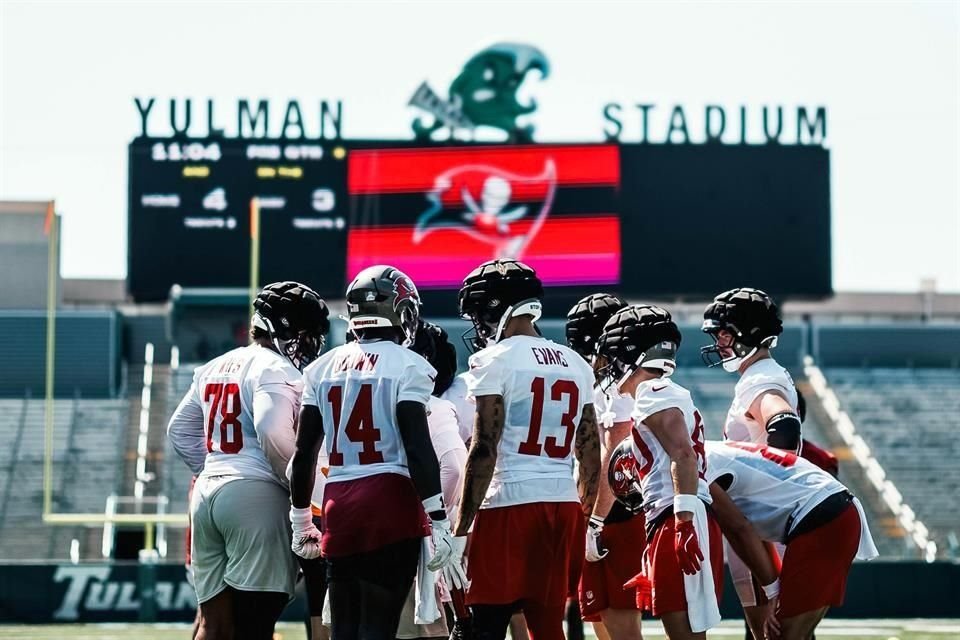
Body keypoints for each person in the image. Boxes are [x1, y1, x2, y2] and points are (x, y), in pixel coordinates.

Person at [288, 265, 463, 640]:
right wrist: (440, 520)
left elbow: (303, 453)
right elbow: (418, 448)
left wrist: (300, 519)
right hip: (391, 501)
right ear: (402, 311)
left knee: (345, 630)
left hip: (339, 505)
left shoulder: (320, 368)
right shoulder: (411, 365)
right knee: (379, 629)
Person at [167, 281, 330, 640]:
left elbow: (179, 431)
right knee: (255, 625)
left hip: (208, 495)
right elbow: (272, 432)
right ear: (286, 329)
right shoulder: (274, 368)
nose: (308, 344)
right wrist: (299, 487)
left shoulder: (214, 366)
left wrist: (218, 471)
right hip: (256, 497)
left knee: (213, 626)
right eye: (304, 335)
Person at [452, 258, 601, 640]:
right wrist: (583, 517)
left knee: (485, 622)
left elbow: (484, 448)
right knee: (548, 626)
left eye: (479, 312)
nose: (478, 322)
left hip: (509, 503)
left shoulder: (492, 361)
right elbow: (588, 451)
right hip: (563, 503)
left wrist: (461, 528)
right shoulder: (576, 363)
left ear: (498, 307)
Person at [595, 304, 722, 640]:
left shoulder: (653, 391)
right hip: (672, 515)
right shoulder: (661, 391)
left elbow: (682, 453)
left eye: (611, 355)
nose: (607, 366)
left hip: (678, 516)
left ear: (630, 354)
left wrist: (682, 524)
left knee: (684, 633)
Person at [703, 440, 878, 640]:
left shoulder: (696, 463)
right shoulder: (712, 453)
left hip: (822, 516)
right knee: (792, 633)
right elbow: (753, 532)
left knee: (782, 634)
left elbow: (739, 530)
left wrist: (772, 591)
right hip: (831, 510)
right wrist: (773, 589)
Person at [565, 293, 645, 640]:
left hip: (617, 511)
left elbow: (615, 454)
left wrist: (594, 520)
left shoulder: (620, 387)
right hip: (603, 509)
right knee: (602, 621)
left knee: (621, 627)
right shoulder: (603, 385)